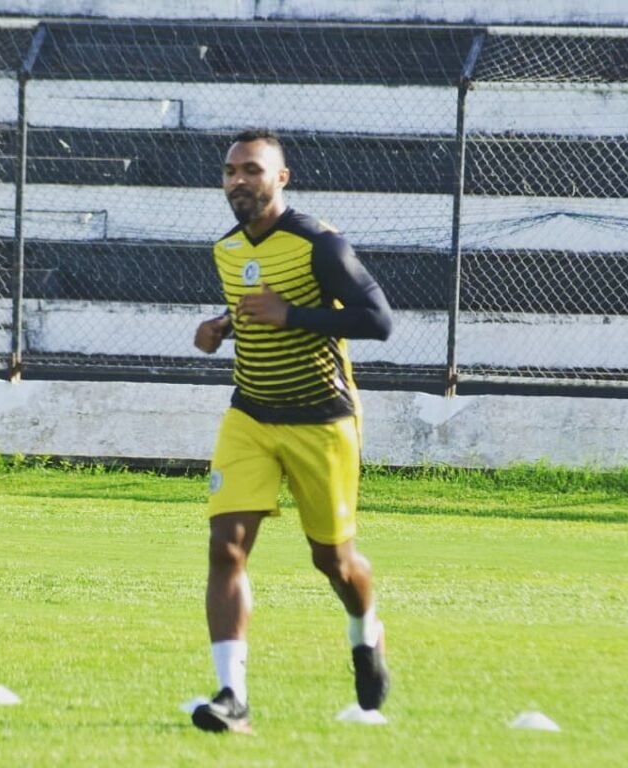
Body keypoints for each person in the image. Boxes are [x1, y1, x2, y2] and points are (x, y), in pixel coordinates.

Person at [191, 128, 393, 733]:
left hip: (321, 419)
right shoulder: (227, 249)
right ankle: (232, 697)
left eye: (251, 170)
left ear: (281, 178)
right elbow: (253, 303)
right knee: (225, 547)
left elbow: (378, 320)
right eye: (230, 170)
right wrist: (221, 326)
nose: (237, 180)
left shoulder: (319, 244)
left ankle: (365, 632)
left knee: (333, 560)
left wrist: (292, 315)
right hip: (250, 415)